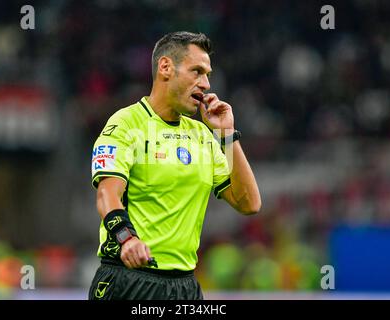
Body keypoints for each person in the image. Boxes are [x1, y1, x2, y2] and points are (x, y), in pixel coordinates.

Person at [88, 31, 261, 300]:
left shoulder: (203, 135)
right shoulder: (126, 125)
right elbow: (107, 194)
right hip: (129, 280)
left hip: (185, 286)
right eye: (196, 71)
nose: (205, 83)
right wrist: (127, 239)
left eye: (207, 75)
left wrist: (227, 135)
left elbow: (249, 203)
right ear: (166, 67)